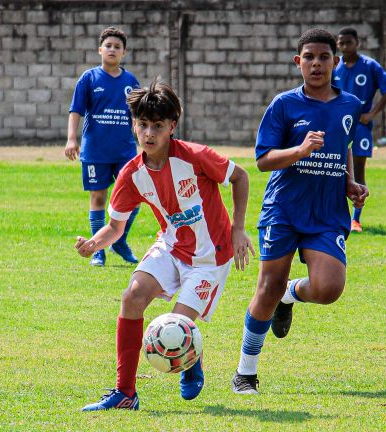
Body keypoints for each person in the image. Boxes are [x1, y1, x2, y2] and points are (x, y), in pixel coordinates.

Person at [75, 81, 254, 410]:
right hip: (171, 248)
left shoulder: (196, 157)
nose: (149, 133)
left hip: (209, 259)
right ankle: (125, 393)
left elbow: (240, 176)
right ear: (134, 125)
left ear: (172, 126)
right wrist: (94, 243)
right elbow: (115, 226)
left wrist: (238, 228)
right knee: (132, 296)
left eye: (157, 126)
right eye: (142, 125)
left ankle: (190, 359)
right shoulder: (132, 174)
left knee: (174, 328)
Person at [231, 28, 369, 395]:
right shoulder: (284, 105)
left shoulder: (350, 106)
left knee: (328, 288)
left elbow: (342, 152)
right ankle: (245, 372)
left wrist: (349, 184)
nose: (316, 64)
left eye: (324, 57)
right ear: (298, 62)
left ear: (335, 62)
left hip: (327, 213)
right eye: (308, 57)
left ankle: (290, 295)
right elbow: (262, 160)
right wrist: (298, 151)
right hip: (285, 209)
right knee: (267, 287)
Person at [65, 27, 141, 267]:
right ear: (100, 50)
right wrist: (71, 139)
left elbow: (139, 116)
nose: (112, 50)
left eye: (117, 47)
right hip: (96, 151)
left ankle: (120, 240)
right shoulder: (88, 79)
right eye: (108, 46)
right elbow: (75, 110)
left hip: (125, 151)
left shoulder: (131, 82)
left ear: (124, 53)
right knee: (98, 198)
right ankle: (97, 249)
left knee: (135, 197)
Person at [334, 27, 386, 232]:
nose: (344, 47)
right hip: (337, 127)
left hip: (360, 127)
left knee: (357, 171)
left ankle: (356, 219)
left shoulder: (369, 66)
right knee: (333, 169)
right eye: (341, 43)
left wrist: (371, 114)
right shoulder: (334, 66)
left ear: (357, 43)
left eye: (348, 43)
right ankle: (334, 215)